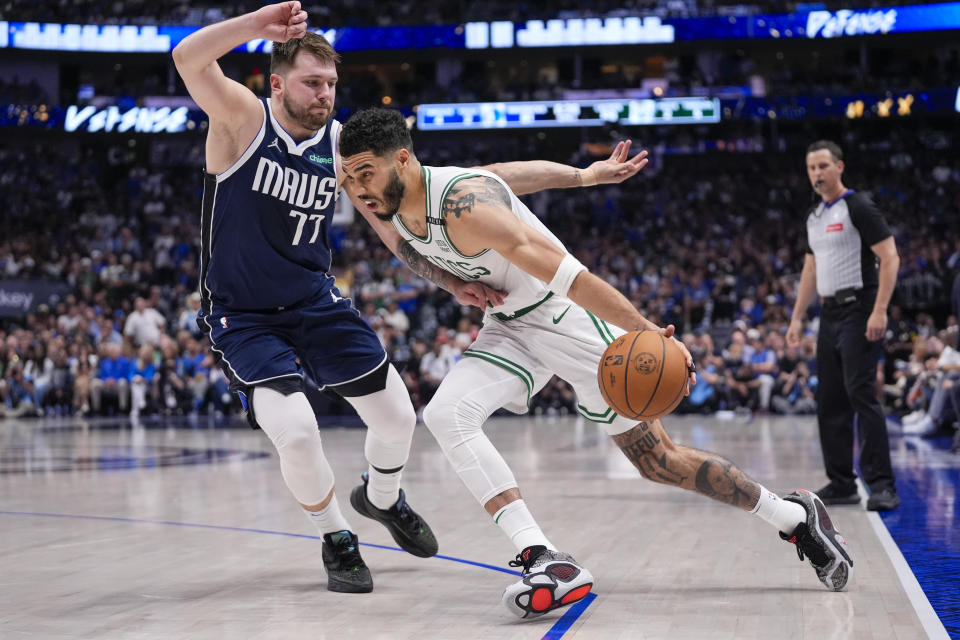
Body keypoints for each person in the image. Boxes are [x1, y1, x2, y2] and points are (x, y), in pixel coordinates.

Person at [171, 1, 646, 594]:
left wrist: (452, 282)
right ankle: (337, 538)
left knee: (398, 415)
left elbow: (392, 231)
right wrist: (256, 25)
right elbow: (186, 57)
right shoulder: (242, 118)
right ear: (276, 83)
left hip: (315, 301)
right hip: (242, 314)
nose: (324, 94)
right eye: (312, 83)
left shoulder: (341, 145)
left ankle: (383, 496)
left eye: (331, 84)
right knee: (294, 430)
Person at [339, 108, 855, 619]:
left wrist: (649, 333)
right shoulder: (399, 198)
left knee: (659, 463)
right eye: (349, 176)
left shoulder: (463, 208)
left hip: (568, 319)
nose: (358, 188)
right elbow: (502, 175)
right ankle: (543, 558)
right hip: (509, 324)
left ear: (402, 160)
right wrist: (581, 177)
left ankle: (792, 515)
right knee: (447, 413)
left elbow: (577, 280)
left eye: (366, 173)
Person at [787, 140, 901, 511]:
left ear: (839, 167)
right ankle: (841, 483)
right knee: (830, 401)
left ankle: (882, 485)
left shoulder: (859, 206)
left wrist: (880, 310)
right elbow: (810, 269)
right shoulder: (814, 216)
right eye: (811, 168)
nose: (817, 173)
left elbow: (890, 257)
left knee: (861, 394)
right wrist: (797, 317)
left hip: (860, 308)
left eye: (823, 166)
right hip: (829, 314)